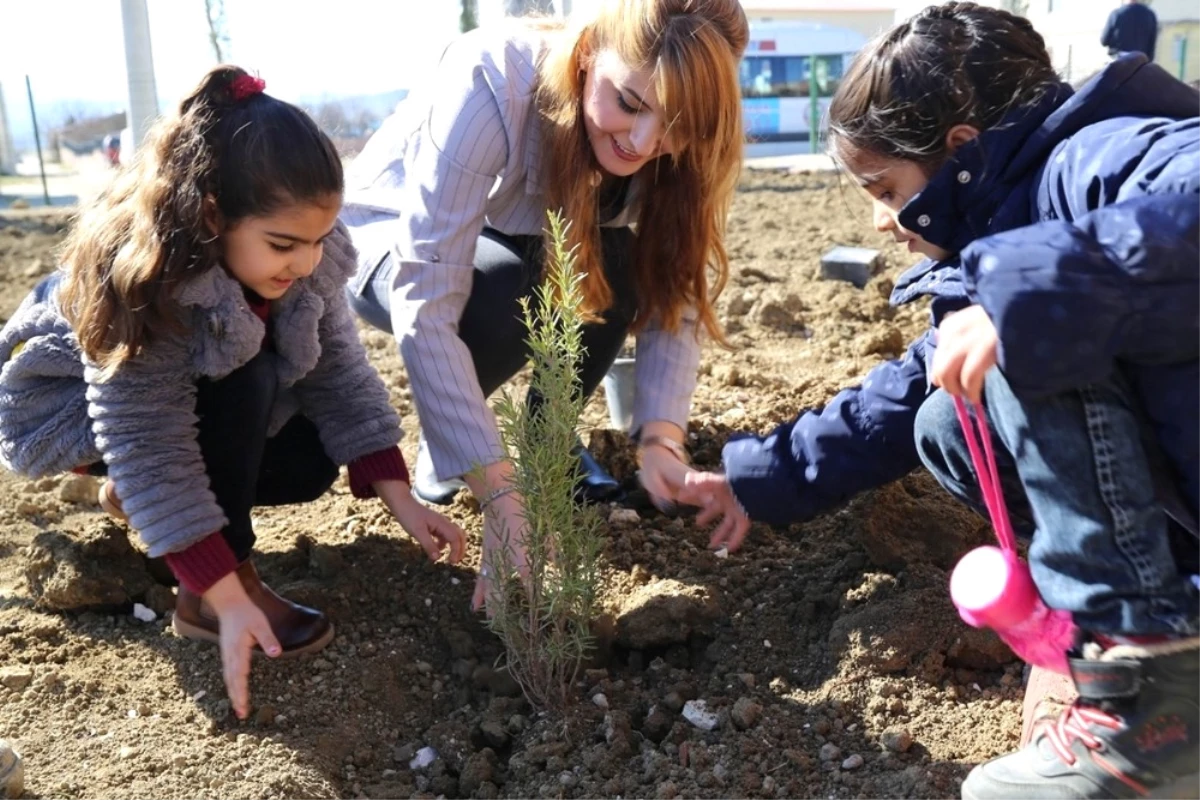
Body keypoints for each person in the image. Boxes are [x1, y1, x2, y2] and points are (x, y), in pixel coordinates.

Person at [675, 3, 1200, 797]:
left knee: (1019, 336)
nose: (880, 224)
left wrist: (1028, 295)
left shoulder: (1096, 156)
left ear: (960, 151)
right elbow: (901, 394)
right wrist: (760, 477)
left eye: (884, 189)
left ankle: (1153, 693)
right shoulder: (1008, 218)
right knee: (950, 417)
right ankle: (1133, 648)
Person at [0, 66, 466, 721]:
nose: (305, 262)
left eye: (318, 240)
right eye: (284, 244)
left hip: (177, 406)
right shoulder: (151, 283)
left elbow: (340, 371)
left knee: (306, 459)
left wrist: (398, 493)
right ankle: (207, 598)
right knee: (244, 374)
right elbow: (148, 438)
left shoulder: (304, 264)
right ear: (213, 215)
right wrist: (220, 586)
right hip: (79, 409)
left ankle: (155, 514)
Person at [340, 0, 748, 610]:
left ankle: (543, 449)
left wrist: (662, 439)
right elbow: (426, 292)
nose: (643, 141)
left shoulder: (678, 142)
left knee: (616, 266)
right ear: (588, 57)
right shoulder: (490, 81)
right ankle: (456, 441)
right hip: (390, 240)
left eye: (675, 123)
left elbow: (674, 285)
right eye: (630, 103)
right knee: (512, 291)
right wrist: (498, 497)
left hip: (522, 238)